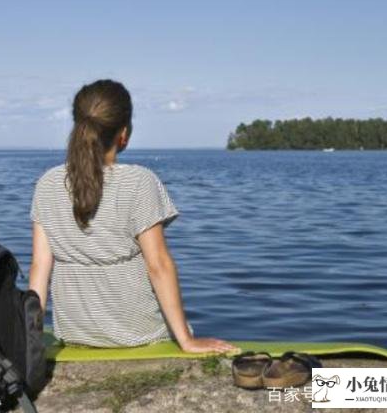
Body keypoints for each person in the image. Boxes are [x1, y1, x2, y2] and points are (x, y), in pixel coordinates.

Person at [28, 79, 237, 353]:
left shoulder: (48, 183)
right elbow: (158, 265)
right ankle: (317, 387)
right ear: (123, 133)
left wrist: (29, 338)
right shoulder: (139, 182)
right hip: (140, 334)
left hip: (75, 334)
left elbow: (39, 269)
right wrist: (185, 339)